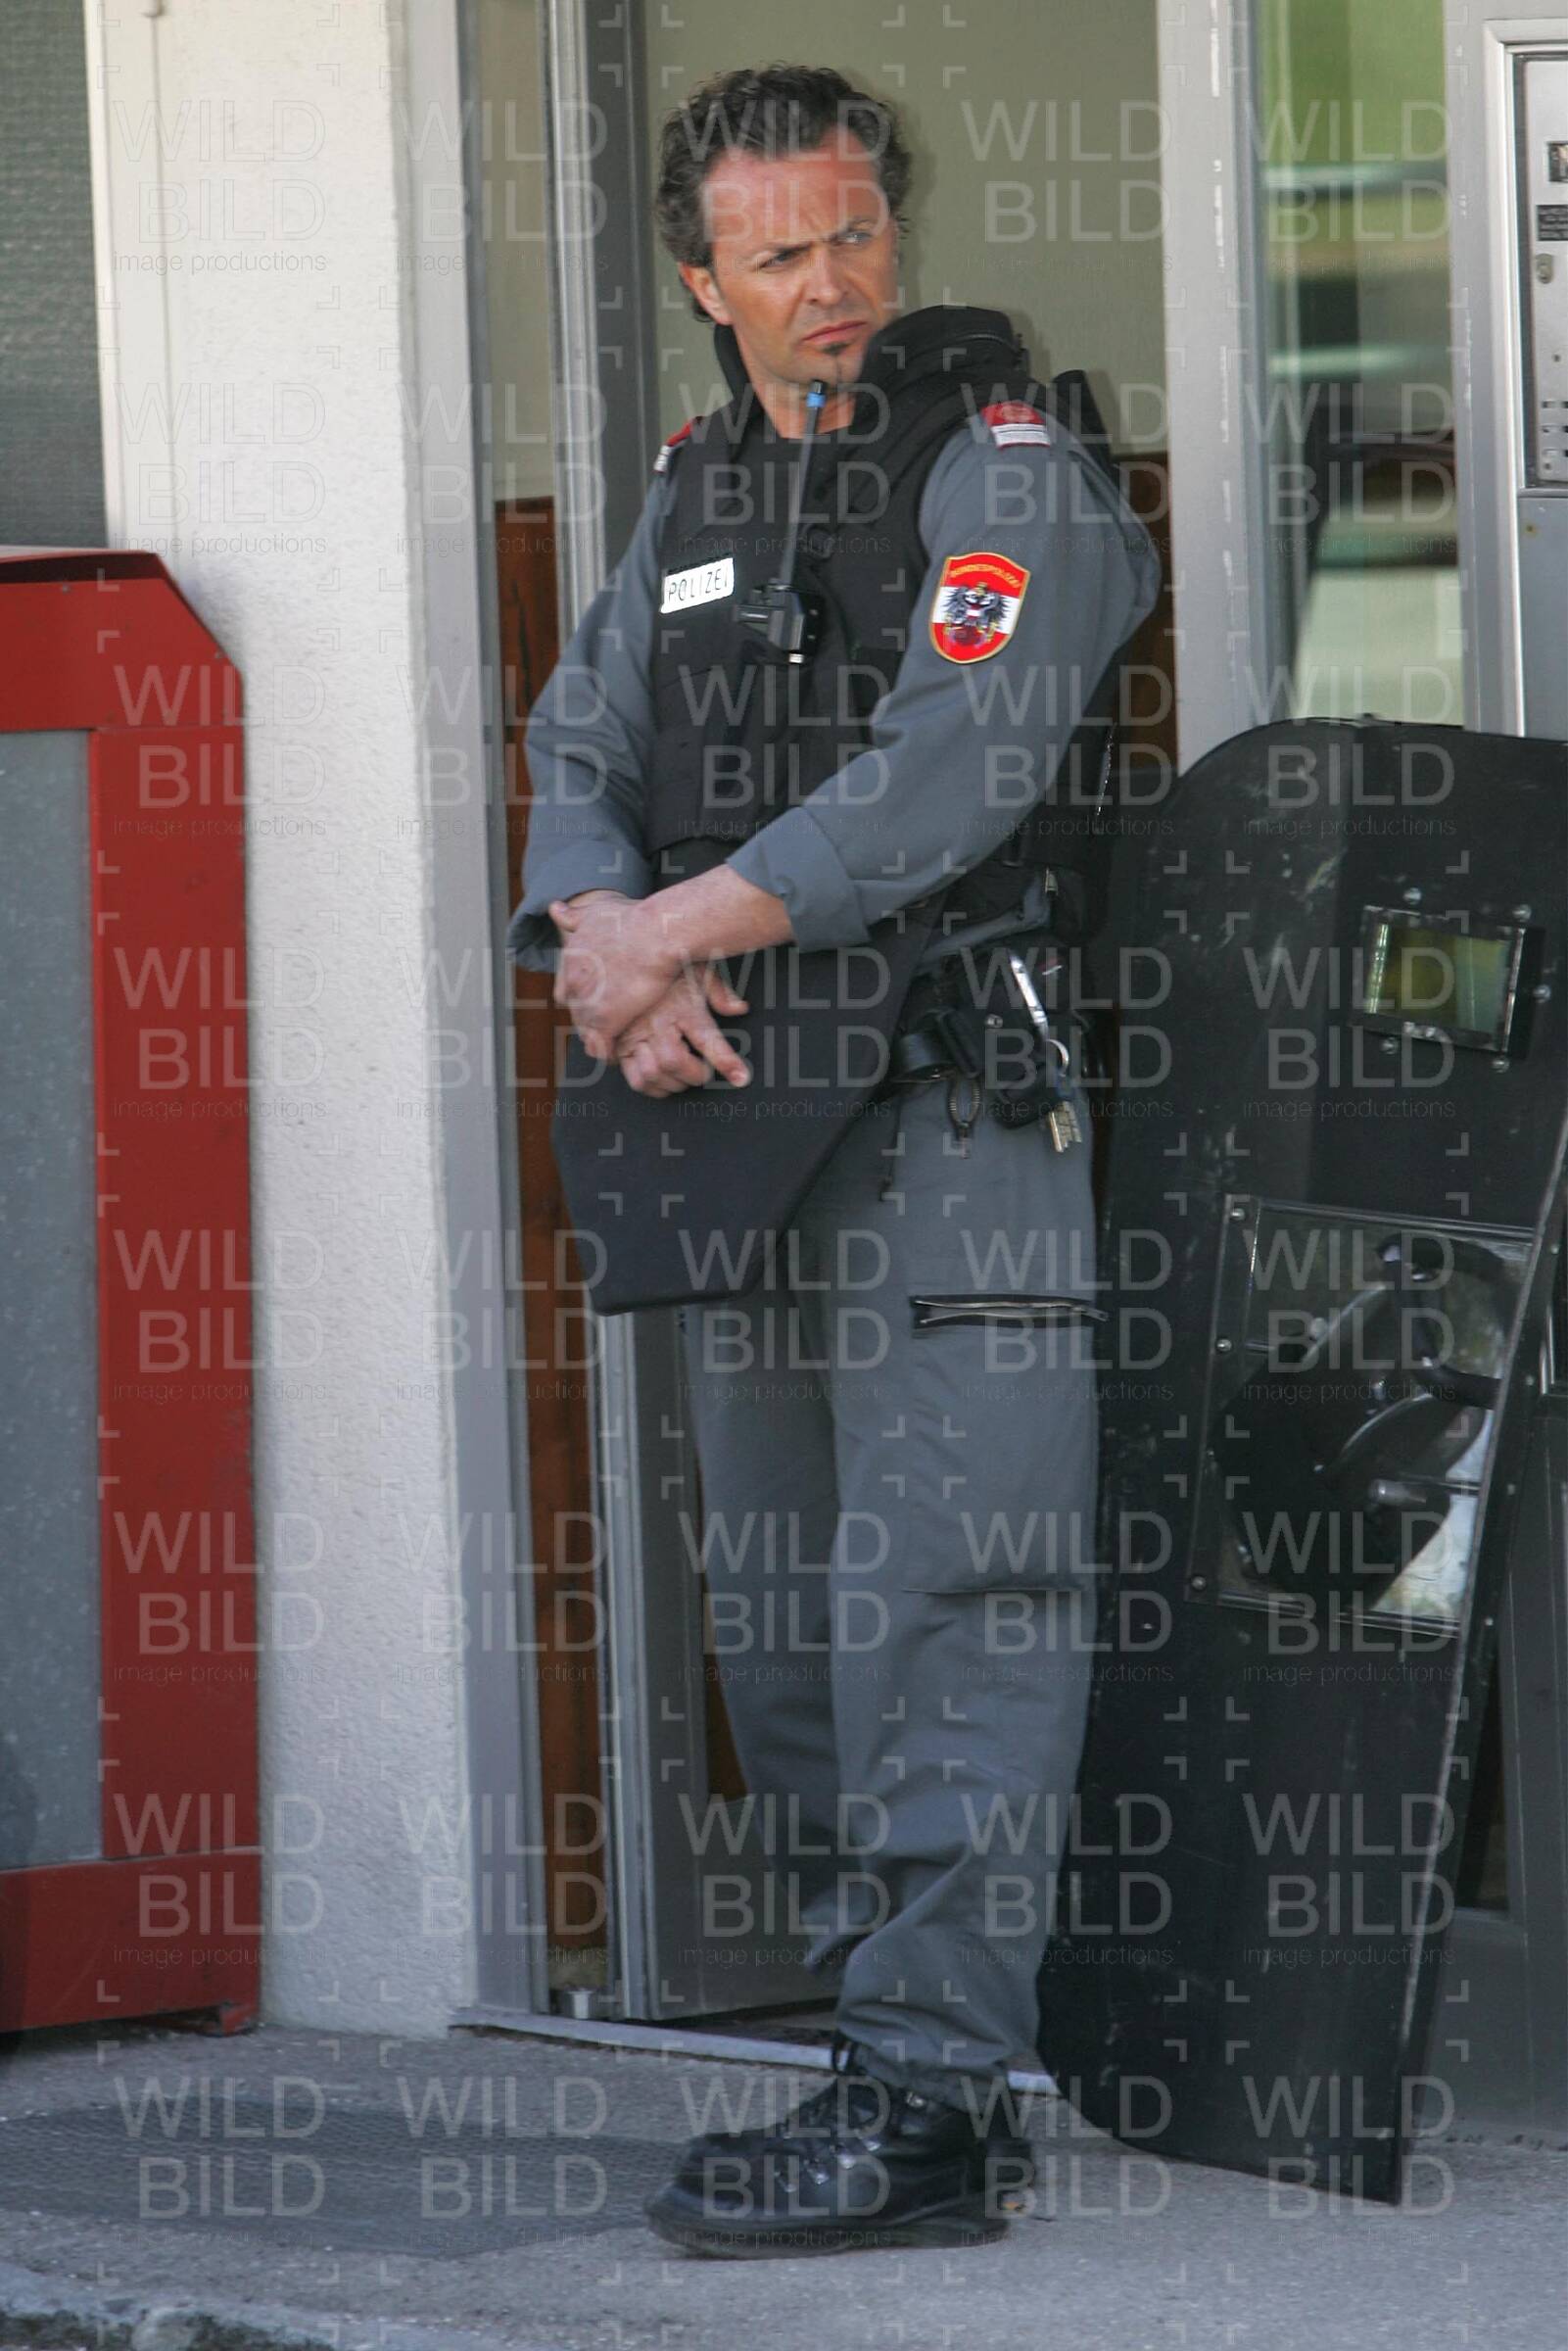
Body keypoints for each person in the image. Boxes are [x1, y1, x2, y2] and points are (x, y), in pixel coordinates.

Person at [507, 64, 1162, 2257]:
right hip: (738, 1118)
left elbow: (957, 758)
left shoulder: (1005, 468)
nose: (832, 282)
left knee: (956, 1606)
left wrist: (679, 929)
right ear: (705, 284)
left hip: (952, 1123)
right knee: (784, 1625)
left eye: (856, 232)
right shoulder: (695, 486)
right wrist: (602, 941)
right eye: (779, 253)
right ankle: (876, 2057)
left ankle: (935, 2095)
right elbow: (583, 738)